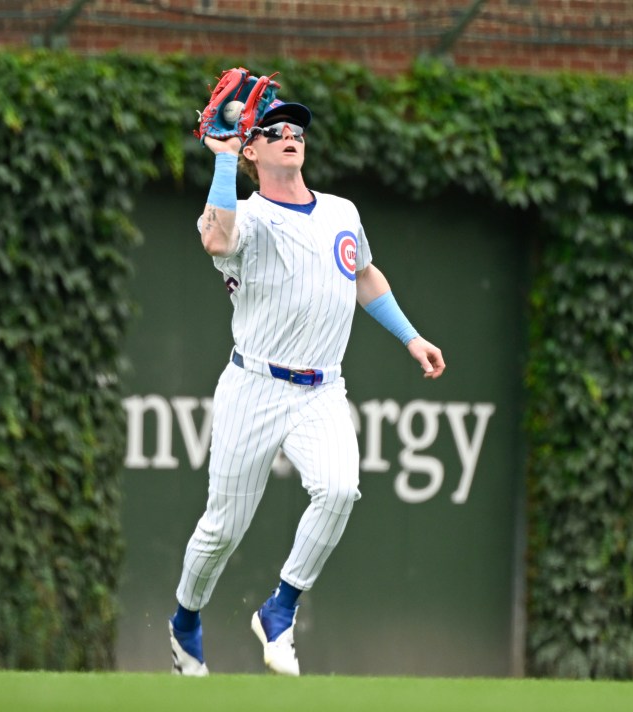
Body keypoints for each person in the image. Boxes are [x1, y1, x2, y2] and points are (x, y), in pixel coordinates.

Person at [168, 98, 445, 677]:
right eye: (274, 130)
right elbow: (217, 241)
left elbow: (363, 273)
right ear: (252, 149)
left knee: (341, 490)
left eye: (297, 129)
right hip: (254, 386)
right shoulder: (243, 212)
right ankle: (185, 621)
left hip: (322, 389)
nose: (290, 135)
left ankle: (280, 609)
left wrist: (411, 337)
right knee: (222, 530)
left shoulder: (342, 210)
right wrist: (221, 159)